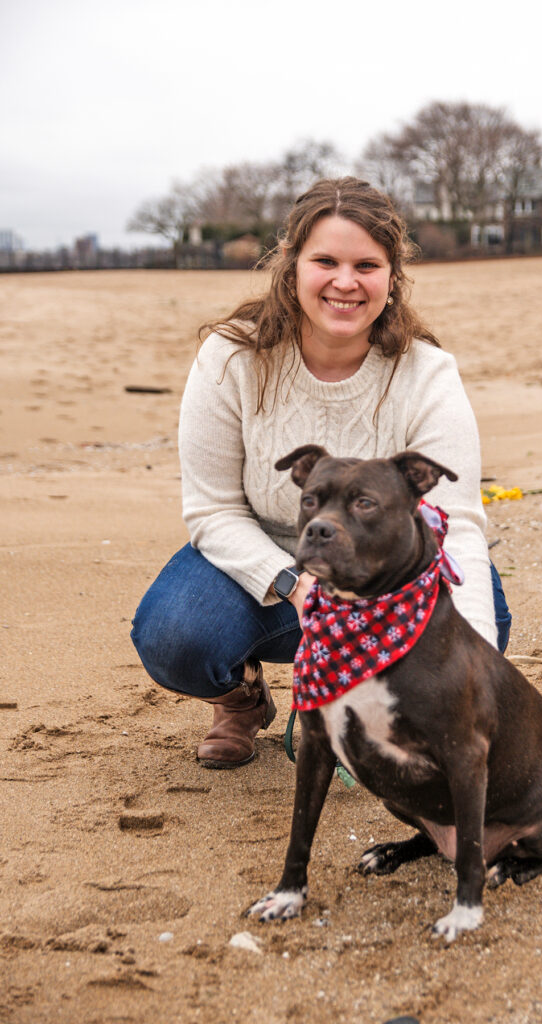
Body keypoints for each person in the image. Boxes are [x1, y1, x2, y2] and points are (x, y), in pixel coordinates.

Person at [131, 177, 511, 769]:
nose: (345, 281)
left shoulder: (426, 374)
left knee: (477, 648)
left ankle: (368, 710)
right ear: (291, 266)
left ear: (392, 275)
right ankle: (240, 700)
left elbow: (457, 525)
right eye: (325, 261)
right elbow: (212, 510)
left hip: (388, 583)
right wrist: (296, 585)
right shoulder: (232, 358)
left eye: (366, 264)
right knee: (176, 637)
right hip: (263, 572)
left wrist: (479, 668)